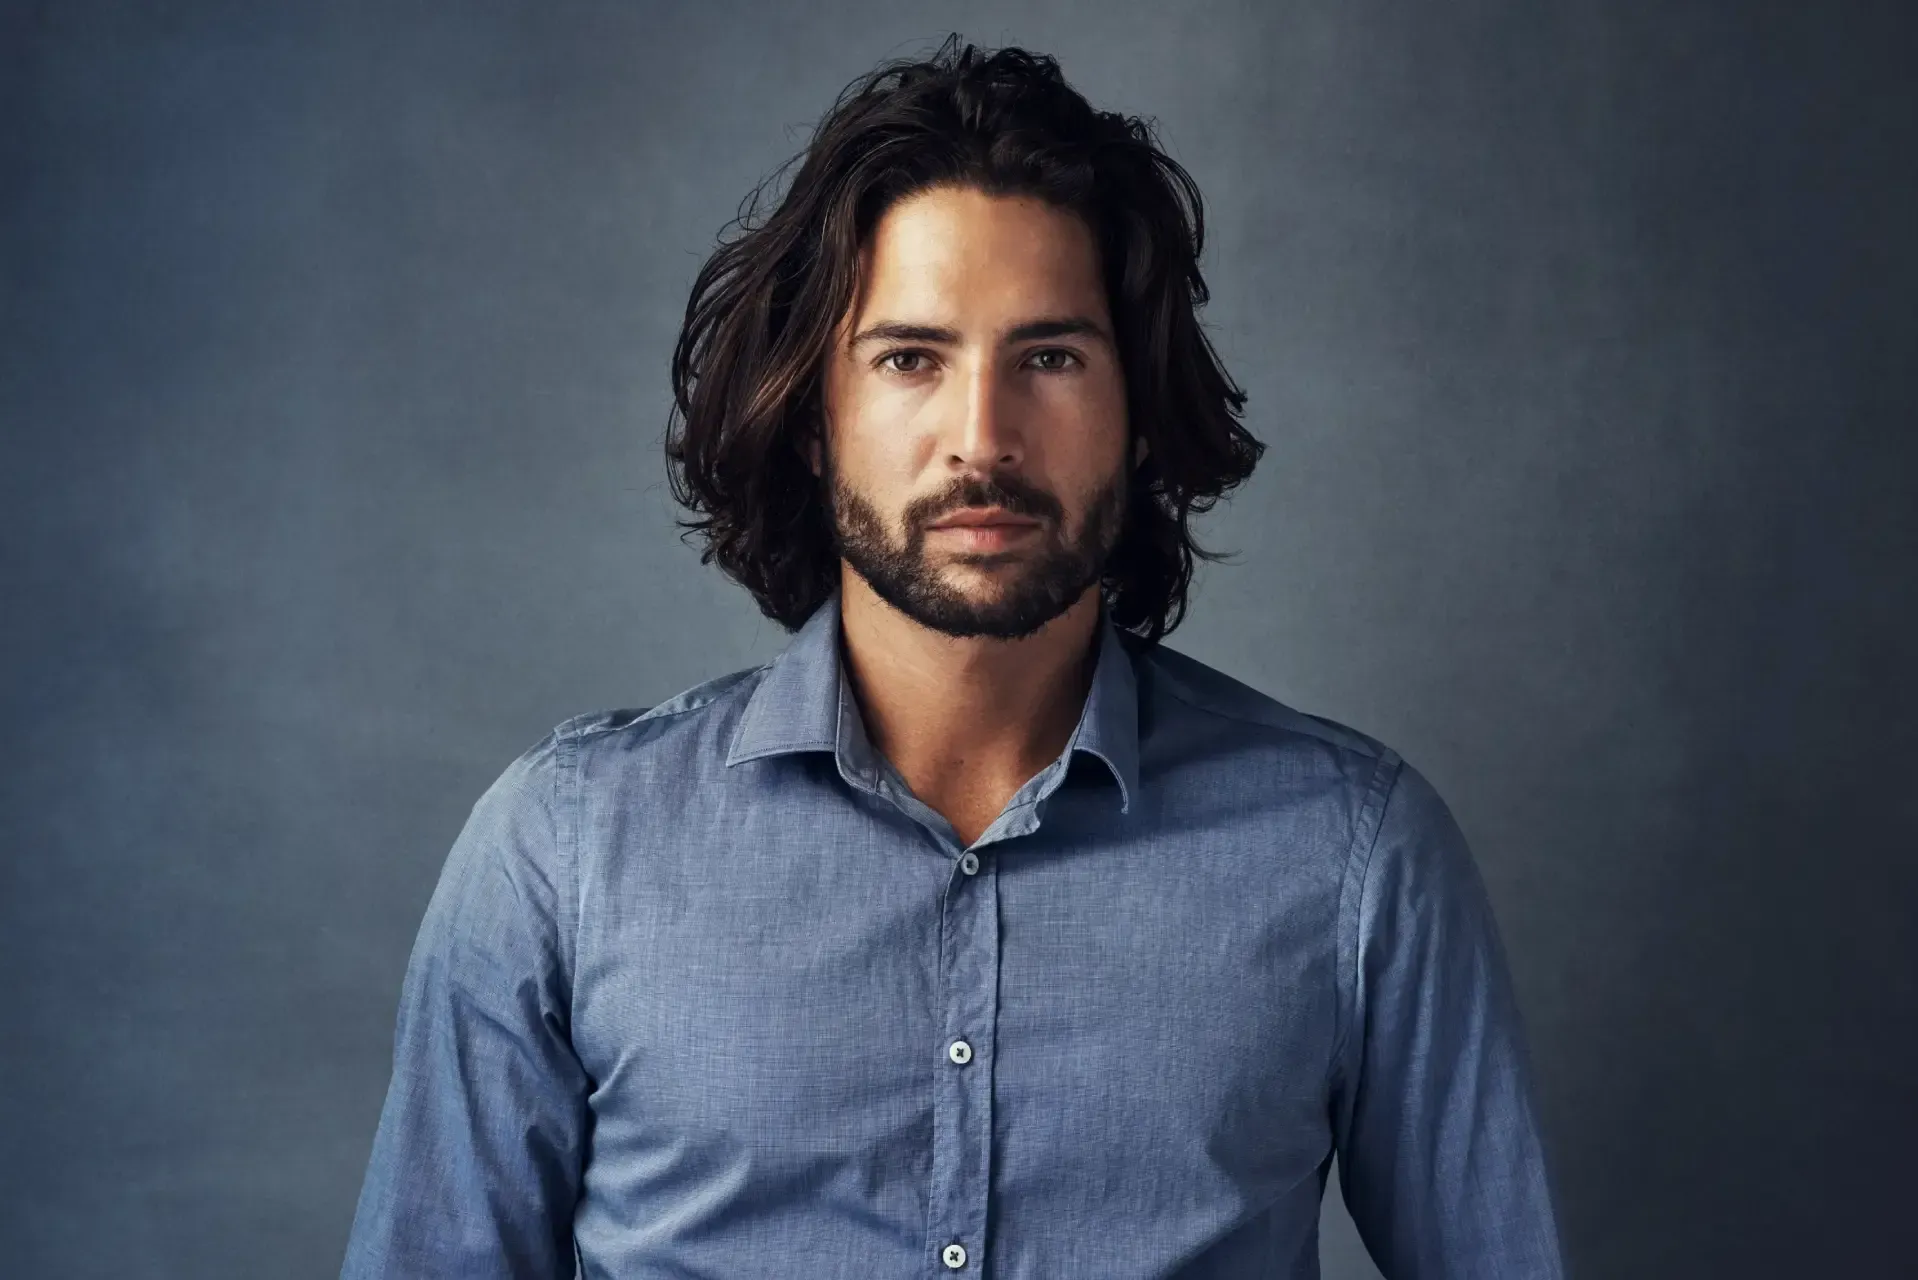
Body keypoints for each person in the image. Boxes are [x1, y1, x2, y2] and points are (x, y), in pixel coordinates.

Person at [340, 34, 1566, 1279]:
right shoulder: (563, 855)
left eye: (1049, 358)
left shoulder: (1355, 858)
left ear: (1138, 411)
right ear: (814, 417)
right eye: (910, 359)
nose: (982, 437)